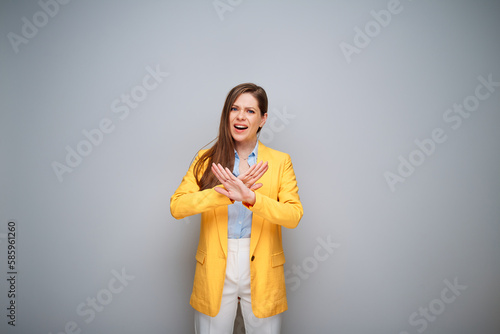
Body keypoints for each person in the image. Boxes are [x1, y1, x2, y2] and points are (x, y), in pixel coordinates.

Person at [170, 83, 303, 334]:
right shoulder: (206, 159)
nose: (241, 116)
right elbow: (177, 206)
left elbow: (293, 215)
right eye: (234, 109)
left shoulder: (280, 161)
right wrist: (223, 195)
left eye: (250, 111)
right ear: (227, 114)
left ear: (263, 119)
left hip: (263, 265)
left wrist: (252, 197)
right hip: (215, 265)